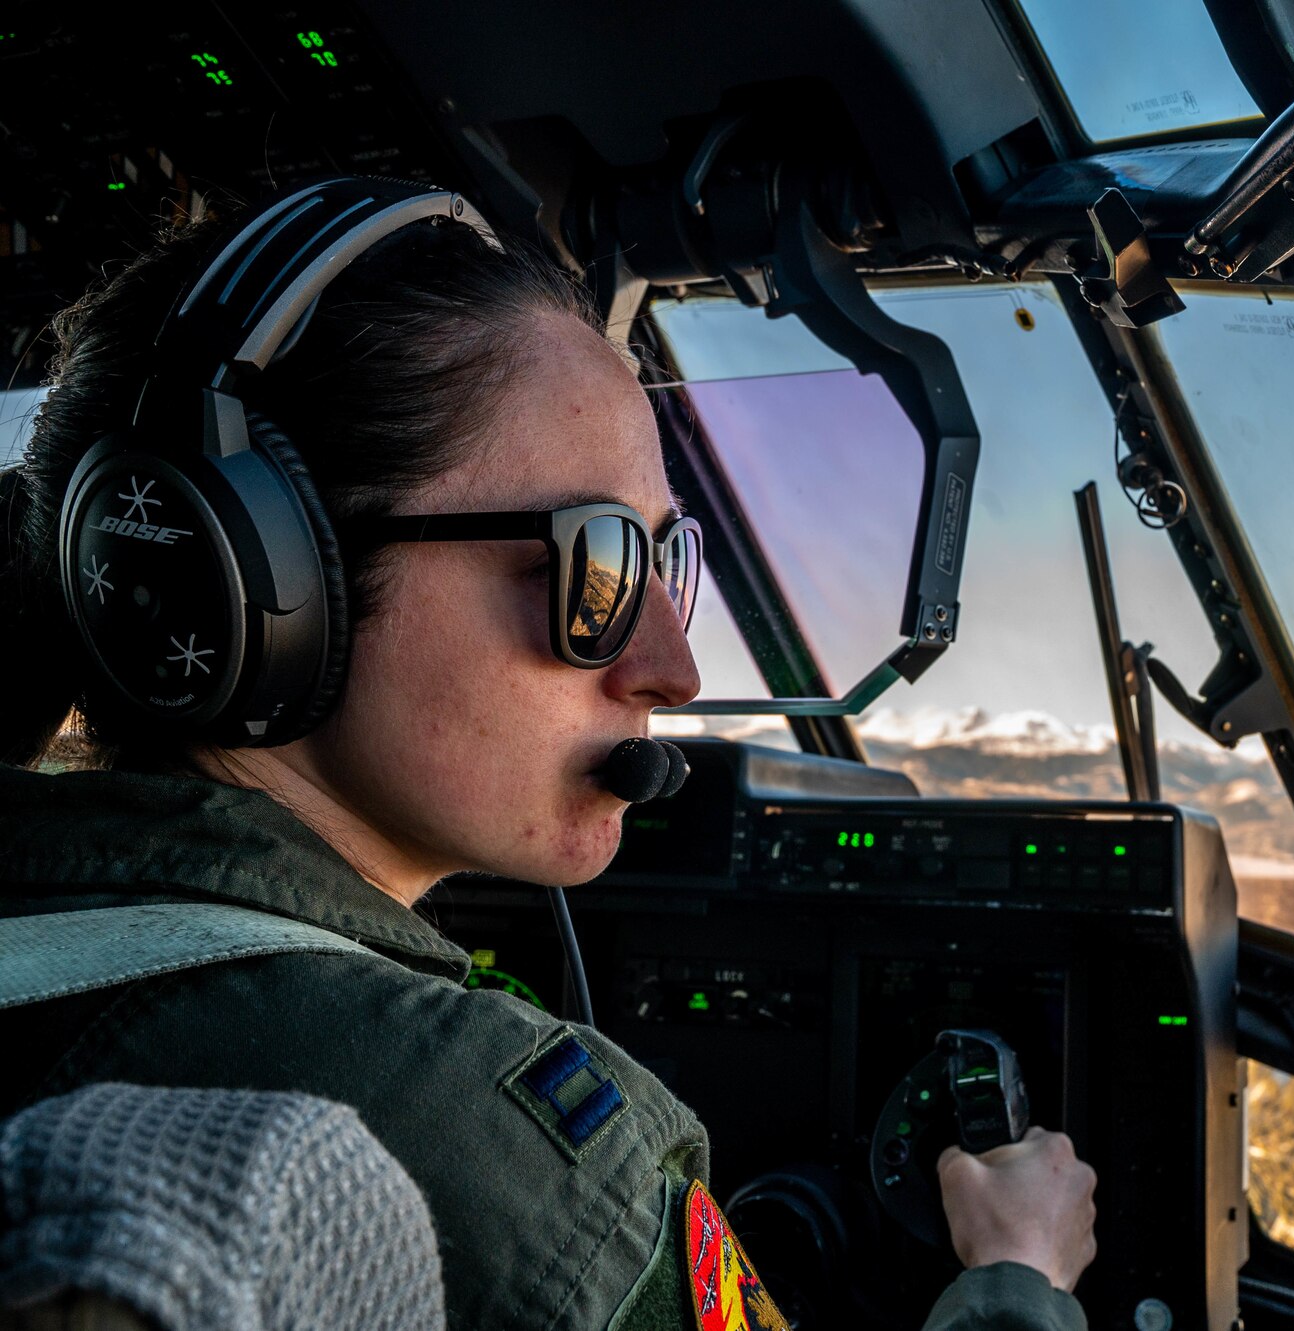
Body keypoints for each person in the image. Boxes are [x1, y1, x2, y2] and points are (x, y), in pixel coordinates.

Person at [0, 188, 1098, 1330]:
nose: (673, 669)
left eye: (663, 560)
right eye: (595, 564)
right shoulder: (502, 1154)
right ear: (247, 576)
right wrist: (1015, 1277)